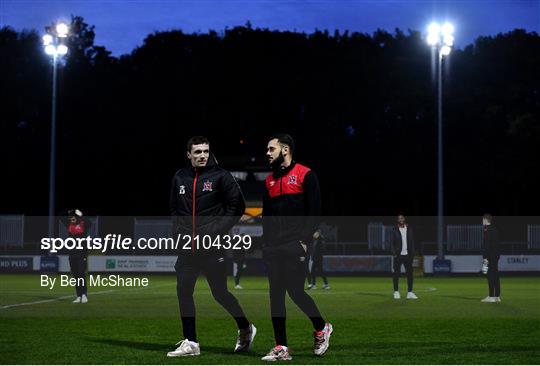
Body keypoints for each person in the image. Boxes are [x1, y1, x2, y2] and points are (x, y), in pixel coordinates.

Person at [167, 136, 256, 357]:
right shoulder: (180, 176)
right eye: (197, 152)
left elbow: (237, 206)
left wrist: (217, 230)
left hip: (212, 246)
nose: (202, 156)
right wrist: (178, 234)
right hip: (187, 247)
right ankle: (191, 342)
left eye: (205, 151)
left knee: (220, 293)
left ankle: (245, 327)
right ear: (189, 154)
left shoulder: (221, 176)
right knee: (183, 290)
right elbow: (175, 209)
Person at [261, 134, 332, 361]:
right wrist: (266, 243)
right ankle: (281, 347)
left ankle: (322, 328)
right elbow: (267, 216)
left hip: (295, 244)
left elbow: (315, 211)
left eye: (271, 149)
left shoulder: (305, 175)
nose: (268, 153)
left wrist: (304, 241)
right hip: (274, 246)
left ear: (285, 150)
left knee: (296, 292)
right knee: (275, 295)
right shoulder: (269, 180)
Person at [390, 214, 418, 300]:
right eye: (399, 218)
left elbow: (412, 242)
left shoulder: (409, 229)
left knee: (410, 274)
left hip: (408, 255)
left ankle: (410, 292)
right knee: (396, 274)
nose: (400, 219)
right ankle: (396, 292)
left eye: (402, 218)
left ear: (404, 219)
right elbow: (391, 243)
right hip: (398, 255)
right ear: (397, 220)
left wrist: (412, 254)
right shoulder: (394, 229)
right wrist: (394, 253)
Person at [66, 209, 89, 303]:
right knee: (75, 276)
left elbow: (89, 222)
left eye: (74, 217)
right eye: (71, 217)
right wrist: (70, 213)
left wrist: (79, 213)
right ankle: (78, 296)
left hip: (81, 254)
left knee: (81, 274)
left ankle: (84, 295)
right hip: (72, 255)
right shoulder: (70, 227)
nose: (72, 218)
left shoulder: (83, 225)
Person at [481, 213, 501, 303]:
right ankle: (497, 296)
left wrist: (485, 257)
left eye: (482, 220)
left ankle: (491, 296)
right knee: (496, 275)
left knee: (489, 275)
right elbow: (496, 244)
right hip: (496, 255)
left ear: (485, 220)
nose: (482, 222)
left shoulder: (486, 230)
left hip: (489, 256)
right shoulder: (495, 230)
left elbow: (486, 245)